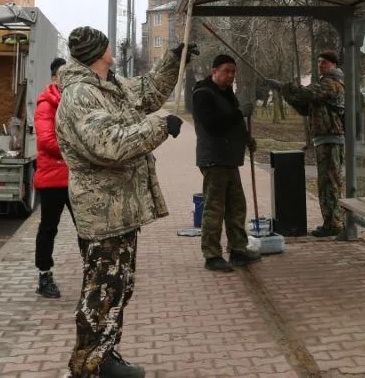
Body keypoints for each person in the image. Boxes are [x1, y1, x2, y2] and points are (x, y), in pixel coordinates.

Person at [55, 26, 193, 378]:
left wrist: (174, 62)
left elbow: (145, 92)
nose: (111, 50)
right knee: (102, 289)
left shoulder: (108, 86)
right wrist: (159, 127)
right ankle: (90, 366)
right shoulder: (81, 94)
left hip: (118, 209)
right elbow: (109, 144)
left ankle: (105, 355)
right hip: (103, 211)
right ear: (99, 52)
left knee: (117, 287)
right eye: (106, 46)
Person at [192, 54, 260, 272]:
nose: (230, 76)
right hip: (214, 158)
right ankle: (212, 255)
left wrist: (246, 139)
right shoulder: (203, 94)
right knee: (215, 208)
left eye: (233, 72)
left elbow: (233, 123)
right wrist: (239, 113)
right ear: (214, 71)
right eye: (226, 71)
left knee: (236, 206)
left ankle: (238, 249)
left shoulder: (227, 93)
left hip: (229, 158)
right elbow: (213, 125)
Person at [281, 50, 346, 237]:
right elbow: (305, 106)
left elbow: (307, 93)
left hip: (331, 139)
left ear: (333, 64)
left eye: (324, 62)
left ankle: (333, 223)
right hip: (324, 139)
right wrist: (287, 94)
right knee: (325, 182)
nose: (320, 65)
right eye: (319, 62)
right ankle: (331, 221)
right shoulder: (324, 85)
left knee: (330, 183)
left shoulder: (332, 84)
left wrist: (285, 87)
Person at [33, 57, 71, 299]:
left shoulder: (75, 102)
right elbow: (46, 142)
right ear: (54, 78)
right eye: (61, 76)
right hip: (52, 179)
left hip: (75, 177)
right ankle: (44, 276)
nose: (65, 81)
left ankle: (94, 273)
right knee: (49, 228)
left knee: (86, 228)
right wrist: (79, 147)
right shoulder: (46, 104)